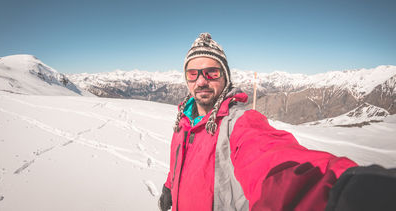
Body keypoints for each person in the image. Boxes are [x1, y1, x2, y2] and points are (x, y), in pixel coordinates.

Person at [158, 33, 396, 211]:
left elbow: (273, 160)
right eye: (192, 73)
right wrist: (171, 186)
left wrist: (339, 189)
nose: (201, 81)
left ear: (225, 78)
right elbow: (182, 160)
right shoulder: (183, 121)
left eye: (211, 72)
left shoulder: (238, 123)